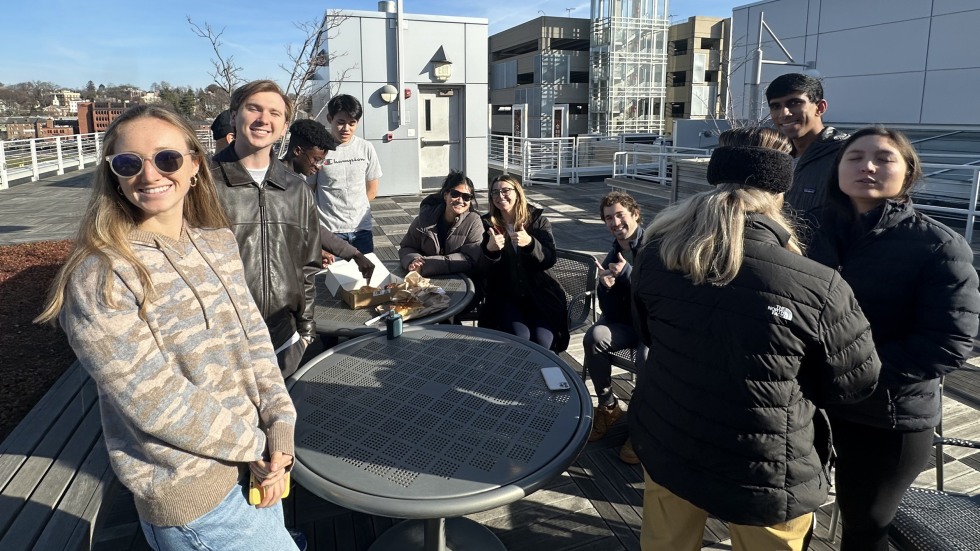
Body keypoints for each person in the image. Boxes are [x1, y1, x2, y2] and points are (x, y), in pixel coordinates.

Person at [35, 104, 298, 550]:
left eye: (167, 158)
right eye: (128, 162)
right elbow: (151, 397)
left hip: (257, 466)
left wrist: (280, 424)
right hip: (196, 499)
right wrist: (254, 443)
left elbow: (254, 341)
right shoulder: (101, 272)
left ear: (195, 163)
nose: (149, 173)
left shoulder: (216, 242)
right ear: (114, 174)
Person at [629, 127, 881, 551]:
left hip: (670, 435)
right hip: (765, 463)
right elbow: (855, 382)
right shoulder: (817, 284)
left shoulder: (656, 254)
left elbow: (647, 332)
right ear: (780, 194)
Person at [806, 126, 980, 551]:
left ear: (908, 172)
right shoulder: (809, 231)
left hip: (887, 415)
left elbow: (948, 342)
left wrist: (851, 374)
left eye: (884, 158)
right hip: (813, 405)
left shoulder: (938, 246)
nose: (867, 165)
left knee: (865, 528)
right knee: (797, 508)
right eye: (854, 157)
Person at [210, 80, 320, 379]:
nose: (263, 119)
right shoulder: (203, 183)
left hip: (284, 338)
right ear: (234, 116)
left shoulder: (296, 188)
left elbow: (308, 265)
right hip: (221, 344)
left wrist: (306, 330)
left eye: (275, 113)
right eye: (254, 108)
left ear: (284, 126)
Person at [584, 191, 648, 465]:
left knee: (647, 358)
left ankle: (641, 425)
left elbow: (658, 292)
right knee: (595, 335)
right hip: (627, 324)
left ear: (635, 214)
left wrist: (628, 275)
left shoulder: (655, 245)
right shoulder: (614, 252)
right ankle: (609, 407)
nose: (615, 221)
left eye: (620, 214)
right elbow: (610, 313)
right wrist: (606, 287)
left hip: (653, 328)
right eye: (609, 217)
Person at [478, 174, 569, 352]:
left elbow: (549, 258)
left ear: (518, 193)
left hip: (539, 295)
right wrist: (489, 250)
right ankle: (520, 378)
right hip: (506, 297)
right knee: (521, 339)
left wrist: (530, 243)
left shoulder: (537, 221)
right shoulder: (486, 224)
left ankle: (542, 379)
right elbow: (481, 268)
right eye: (495, 192)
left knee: (544, 341)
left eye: (505, 190)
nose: (500, 196)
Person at [282, 118, 374, 280]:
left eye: (322, 160)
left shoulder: (299, 184)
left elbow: (310, 226)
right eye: (316, 159)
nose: (319, 166)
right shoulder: (277, 182)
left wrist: (353, 253)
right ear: (297, 151)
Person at [766, 72, 849, 212]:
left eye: (794, 103)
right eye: (775, 106)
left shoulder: (846, 155)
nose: (784, 113)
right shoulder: (772, 156)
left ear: (820, 107)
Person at [313, 94, 382, 254]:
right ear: (330, 119)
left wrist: (355, 209)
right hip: (329, 230)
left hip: (361, 229)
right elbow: (310, 190)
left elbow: (372, 190)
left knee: (365, 277)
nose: (346, 129)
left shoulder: (366, 148)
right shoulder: (319, 150)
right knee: (330, 277)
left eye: (352, 123)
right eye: (341, 122)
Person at [398, 170, 483, 276]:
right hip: (424, 278)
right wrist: (414, 260)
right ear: (445, 195)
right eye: (455, 194)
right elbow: (407, 247)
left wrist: (427, 265)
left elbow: (469, 258)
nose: (460, 200)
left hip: (458, 279)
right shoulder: (425, 218)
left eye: (466, 197)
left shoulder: (474, 222)